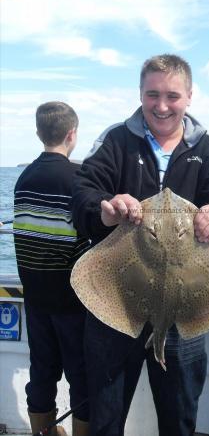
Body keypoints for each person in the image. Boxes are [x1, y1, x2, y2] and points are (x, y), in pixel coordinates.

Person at [71, 54, 209, 436]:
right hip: (117, 302)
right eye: (152, 95)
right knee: (106, 416)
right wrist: (105, 211)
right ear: (140, 93)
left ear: (189, 97)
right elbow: (82, 194)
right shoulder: (117, 140)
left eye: (172, 96)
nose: (161, 106)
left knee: (180, 417)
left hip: (185, 310)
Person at [13, 102, 90, 436]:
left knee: (42, 373)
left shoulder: (23, 178)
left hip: (35, 298)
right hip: (71, 302)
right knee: (82, 377)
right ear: (72, 134)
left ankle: (41, 432)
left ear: (38, 133)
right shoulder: (77, 180)